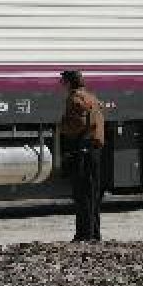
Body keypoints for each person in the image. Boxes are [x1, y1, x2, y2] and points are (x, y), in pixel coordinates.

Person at [59, 70, 105, 242]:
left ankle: (84, 235)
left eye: (63, 81)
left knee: (82, 194)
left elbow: (77, 124)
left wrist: (63, 127)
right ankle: (94, 234)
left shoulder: (75, 98)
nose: (62, 85)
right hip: (94, 150)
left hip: (83, 150)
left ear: (70, 82)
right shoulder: (91, 97)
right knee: (93, 194)